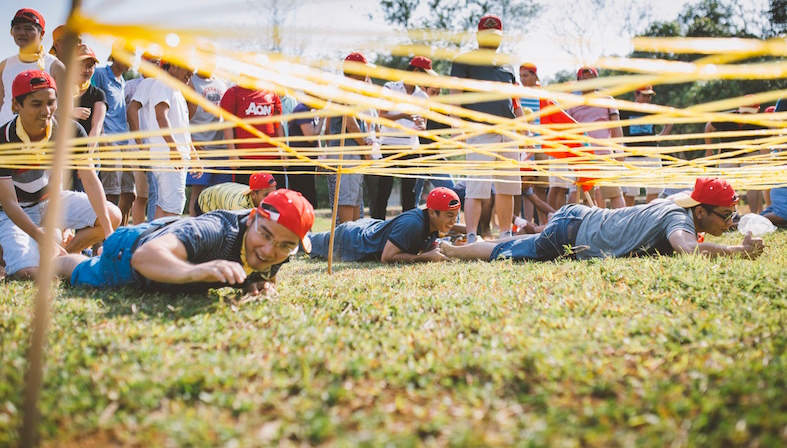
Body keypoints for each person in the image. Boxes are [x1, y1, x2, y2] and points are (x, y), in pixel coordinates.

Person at [440, 177, 765, 263]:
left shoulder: (673, 204)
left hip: (577, 217)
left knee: (518, 243)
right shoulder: (677, 220)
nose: (729, 222)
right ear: (699, 211)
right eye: (725, 215)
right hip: (571, 233)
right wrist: (738, 251)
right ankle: (454, 251)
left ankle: (476, 244)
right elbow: (688, 249)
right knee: (506, 253)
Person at [56, 189, 313, 294]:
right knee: (77, 269)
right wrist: (199, 271)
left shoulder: (280, 249)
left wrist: (255, 285)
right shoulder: (214, 231)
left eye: (285, 245)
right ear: (252, 218)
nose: (270, 251)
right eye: (265, 235)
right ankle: (58, 257)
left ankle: (99, 249)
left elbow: (262, 272)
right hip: (129, 255)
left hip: (162, 234)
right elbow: (144, 257)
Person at [0, 70, 120, 280]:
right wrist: (41, 237)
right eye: (36, 104)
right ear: (15, 106)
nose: (46, 111)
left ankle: (65, 255)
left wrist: (109, 234)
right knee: (27, 273)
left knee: (112, 216)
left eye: (51, 102)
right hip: (14, 211)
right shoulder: (3, 139)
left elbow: (90, 181)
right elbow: (10, 204)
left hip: (51, 202)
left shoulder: (71, 131)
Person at [450, 14, 522, 242]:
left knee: (507, 187)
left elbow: (514, 101)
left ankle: (505, 235)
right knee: (476, 187)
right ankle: (472, 235)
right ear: (479, 35)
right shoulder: (464, 60)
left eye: (496, 35)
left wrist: (524, 130)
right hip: (478, 131)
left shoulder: (508, 64)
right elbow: (456, 97)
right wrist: (456, 126)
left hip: (508, 133)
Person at [309, 187, 464, 263]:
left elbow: (447, 228)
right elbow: (387, 257)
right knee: (304, 242)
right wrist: (425, 257)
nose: (453, 221)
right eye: (449, 216)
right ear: (431, 213)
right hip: (348, 240)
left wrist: (469, 231)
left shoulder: (434, 222)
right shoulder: (413, 225)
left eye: (456, 216)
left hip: (367, 228)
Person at [367, 56, 435, 218]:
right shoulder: (390, 88)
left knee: (409, 193)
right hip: (389, 144)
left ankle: (407, 230)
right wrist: (405, 114)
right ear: (416, 71)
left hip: (411, 146)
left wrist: (419, 125)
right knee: (383, 189)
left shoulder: (423, 97)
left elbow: (423, 126)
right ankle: (377, 227)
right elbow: (382, 116)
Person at [135, 60, 201, 219]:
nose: (192, 73)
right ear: (173, 65)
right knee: (174, 205)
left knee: (165, 204)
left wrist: (193, 154)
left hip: (174, 154)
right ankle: (167, 241)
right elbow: (161, 117)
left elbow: (182, 128)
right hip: (169, 155)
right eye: (189, 67)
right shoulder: (163, 84)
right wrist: (174, 149)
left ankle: (155, 240)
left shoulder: (175, 89)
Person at [566, 67, 626, 209]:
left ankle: (624, 222)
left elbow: (616, 126)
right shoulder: (572, 103)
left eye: (591, 79)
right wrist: (569, 157)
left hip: (605, 153)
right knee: (588, 195)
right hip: (583, 155)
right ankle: (592, 225)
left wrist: (620, 149)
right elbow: (569, 132)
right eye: (584, 79)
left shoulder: (607, 99)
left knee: (614, 192)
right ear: (578, 81)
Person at [326, 52, 375, 224]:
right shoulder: (345, 92)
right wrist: (365, 150)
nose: (368, 74)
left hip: (353, 152)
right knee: (347, 199)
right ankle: (346, 242)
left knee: (354, 198)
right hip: (346, 152)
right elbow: (351, 125)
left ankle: (353, 238)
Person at [91, 40, 135, 224]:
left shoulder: (123, 81)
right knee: (111, 193)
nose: (131, 60)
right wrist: (101, 137)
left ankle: (120, 236)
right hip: (109, 141)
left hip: (124, 142)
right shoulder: (100, 74)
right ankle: (100, 240)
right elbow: (93, 102)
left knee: (129, 193)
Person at [0, 8, 65, 126]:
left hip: (43, 137)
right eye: (17, 28)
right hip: (6, 136)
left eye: (29, 28)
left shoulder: (55, 66)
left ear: (42, 34)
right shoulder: (4, 65)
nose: (22, 33)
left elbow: (65, 110)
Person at [187, 46, 231, 217]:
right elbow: (183, 115)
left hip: (221, 149)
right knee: (198, 193)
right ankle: (193, 228)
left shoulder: (222, 83)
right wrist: (191, 142)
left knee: (219, 193)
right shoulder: (191, 82)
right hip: (201, 148)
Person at [704, 99, 767, 214]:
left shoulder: (759, 121)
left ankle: (753, 215)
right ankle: (731, 215)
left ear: (756, 111)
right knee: (726, 185)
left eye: (749, 112)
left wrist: (763, 158)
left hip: (749, 153)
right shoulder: (726, 117)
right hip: (728, 154)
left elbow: (767, 137)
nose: (746, 115)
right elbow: (708, 127)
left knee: (752, 183)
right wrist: (709, 150)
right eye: (744, 112)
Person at [220, 80, 284, 187]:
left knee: (274, 198)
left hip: (272, 159)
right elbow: (227, 124)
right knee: (247, 199)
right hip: (245, 160)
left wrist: (283, 150)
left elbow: (278, 123)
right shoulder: (233, 93)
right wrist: (232, 153)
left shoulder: (271, 92)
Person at [619, 85, 673, 206]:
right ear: (636, 94)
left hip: (651, 153)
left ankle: (651, 216)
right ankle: (628, 218)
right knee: (629, 192)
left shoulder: (653, 109)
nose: (647, 98)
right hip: (631, 154)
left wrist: (661, 137)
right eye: (644, 95)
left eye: (649, 96)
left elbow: (669, 121)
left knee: (654, 189)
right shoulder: (625, 109)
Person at [71, 45, 106, 192]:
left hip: (86, 155)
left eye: (90, 66)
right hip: (62, 154)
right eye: (81, 65)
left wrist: (87, 158)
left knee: (83, 199)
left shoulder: (97, 94)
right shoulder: (61, 90)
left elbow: (96, 127)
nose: (85, 70)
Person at [286, 102, 327, 208]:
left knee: (308, 201)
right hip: (299, 163)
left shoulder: (308, 111)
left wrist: (318, 158)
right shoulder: (302, 110)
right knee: (303, 202)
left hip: (306, 162)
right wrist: (322, 118)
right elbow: (310, 137)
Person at [197, 171, 277, 215]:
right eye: (266, 195)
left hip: (227, 191)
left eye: (273, 194)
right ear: (253, 195)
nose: (271, 198)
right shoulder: (239, 207)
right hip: (208, 198)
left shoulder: (257, 194)